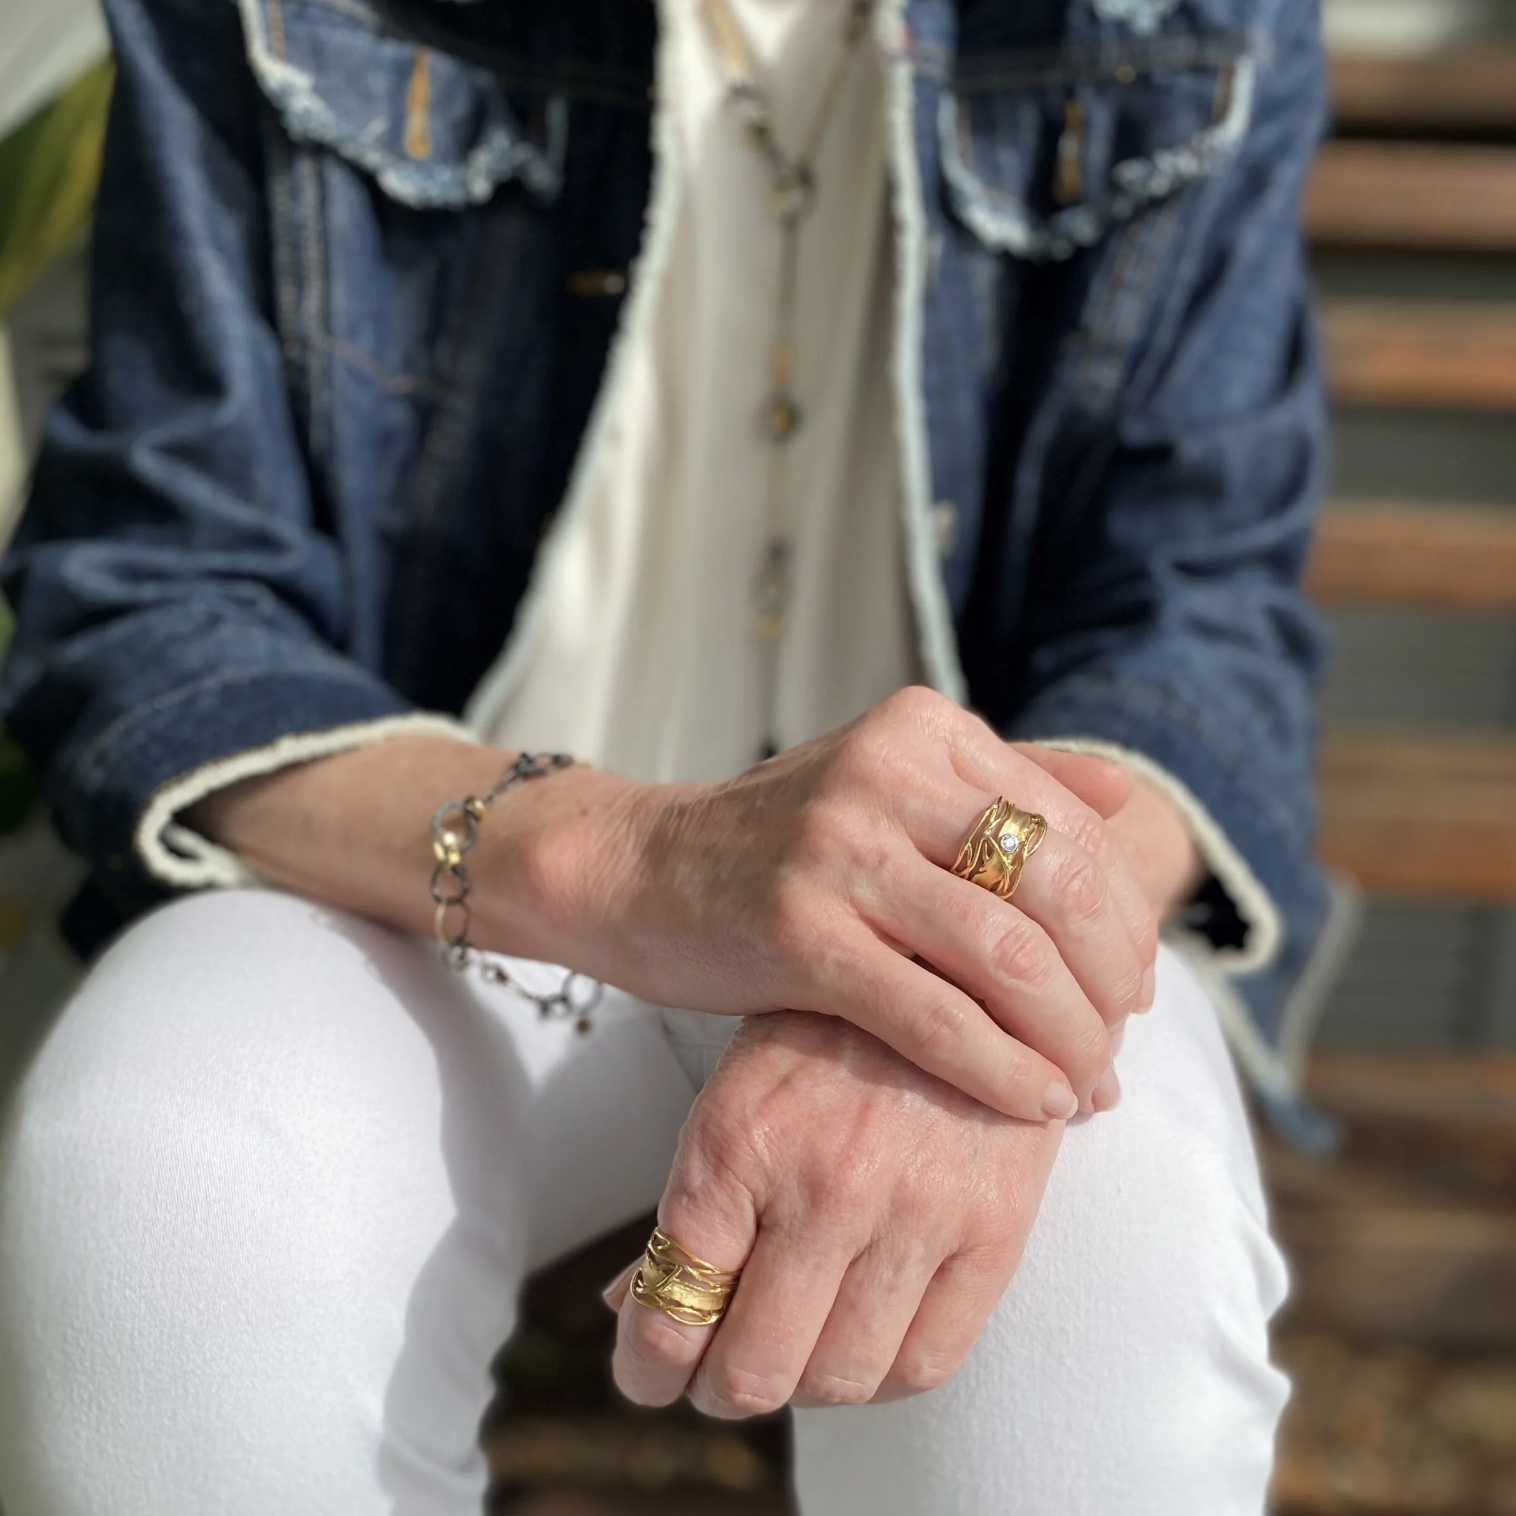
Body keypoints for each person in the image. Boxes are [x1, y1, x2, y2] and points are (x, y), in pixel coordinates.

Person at [0, 0, 1329, 1509]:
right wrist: (612, 855)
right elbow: (159, 590)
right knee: (164, 1179)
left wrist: (949, 961)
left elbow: (1199, 616)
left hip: (974, 885)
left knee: (1111, 1255)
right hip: (415, 877)